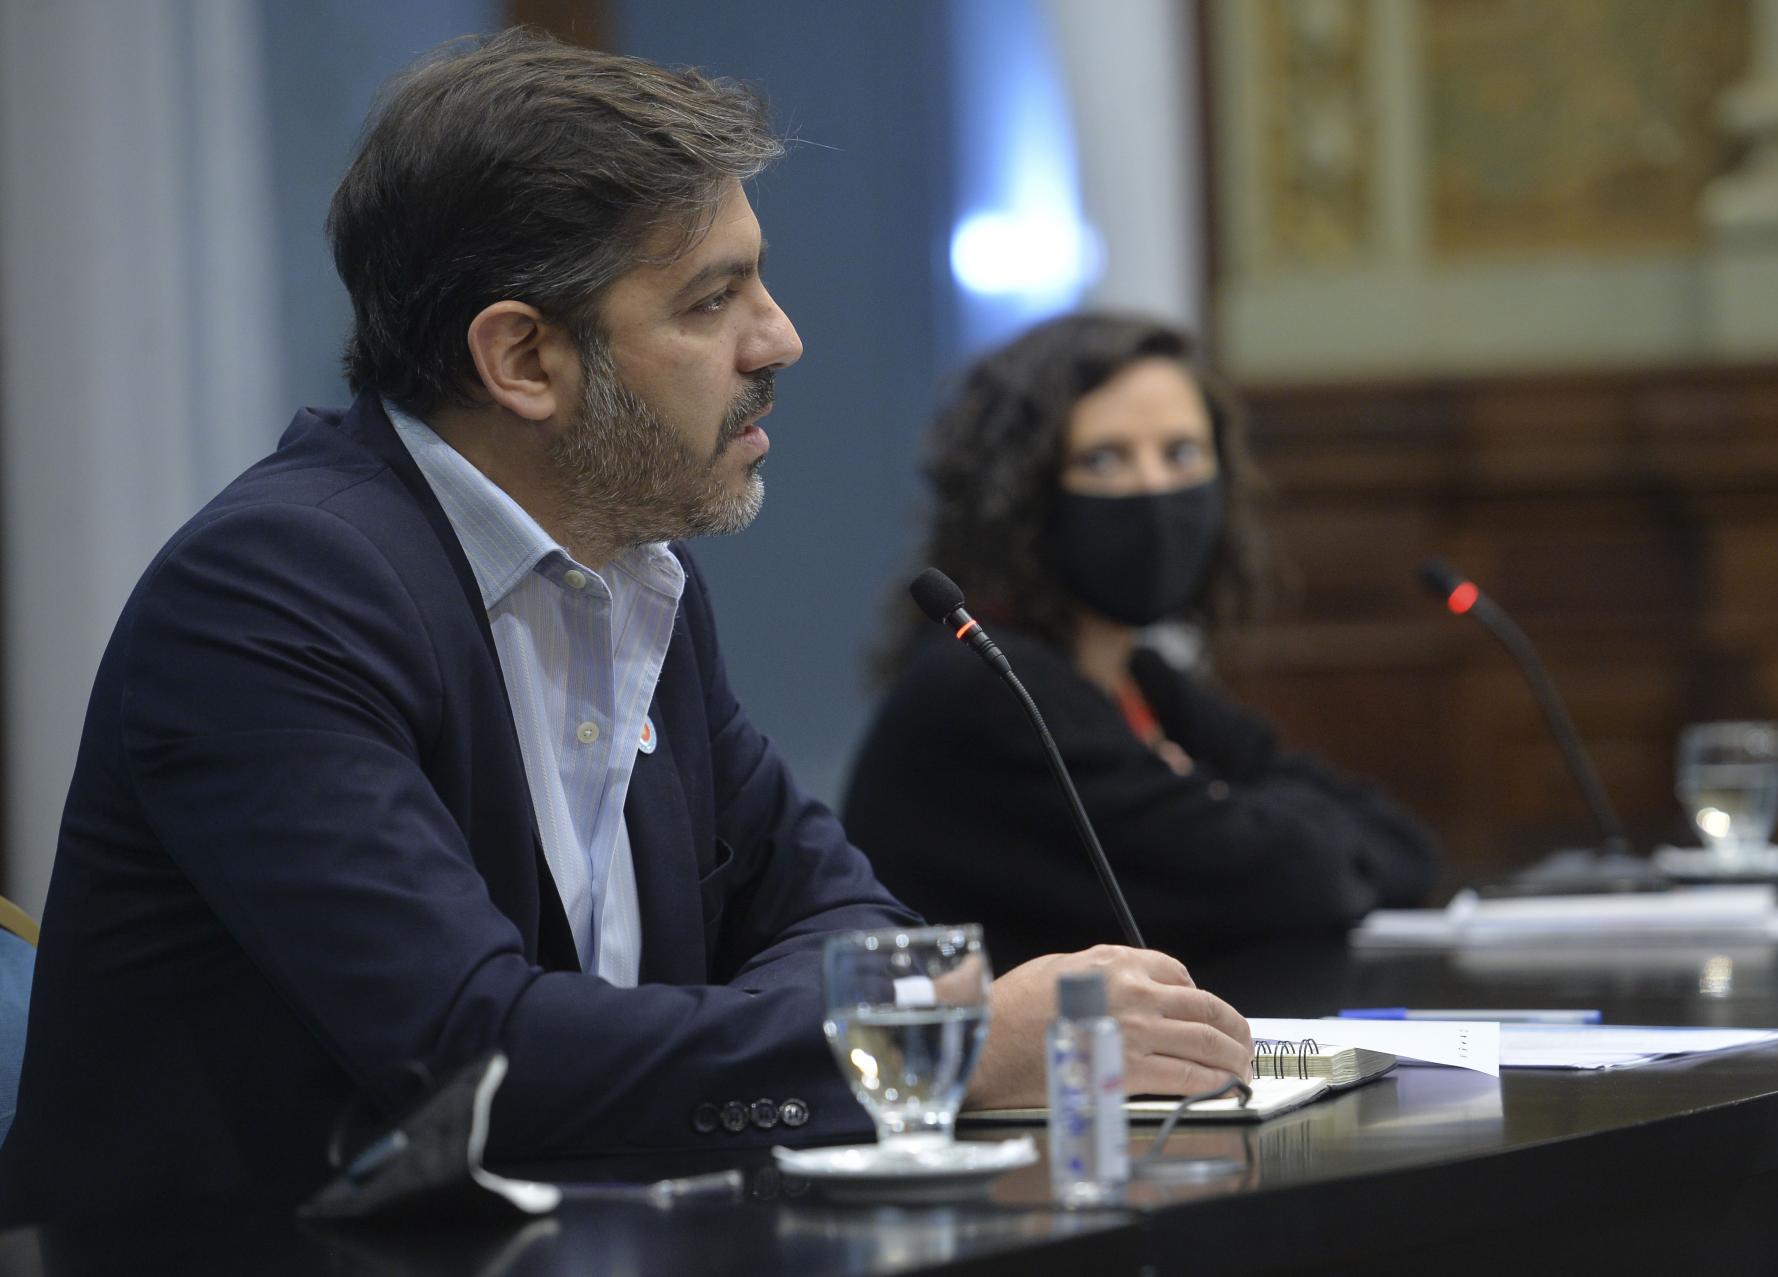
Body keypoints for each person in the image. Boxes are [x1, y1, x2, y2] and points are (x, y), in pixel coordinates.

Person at [0, 36, 1255, 1224]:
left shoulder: (640, 577)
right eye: (713, 300)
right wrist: (942, 1046)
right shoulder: (276, 596)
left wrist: (816, 1025)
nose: (781, 337)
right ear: (523, 360)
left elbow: (852, 924)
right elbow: (474, 1055)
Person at [842, 314, 1439, 971]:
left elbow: (1401, 841)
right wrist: (1237, 807)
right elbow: (1287, 881)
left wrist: (1234, 811)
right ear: (1020, 491)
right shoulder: (988, 689)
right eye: (1104, 459)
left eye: (1181, 454)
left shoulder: (1139, 678)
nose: (1154, 488)